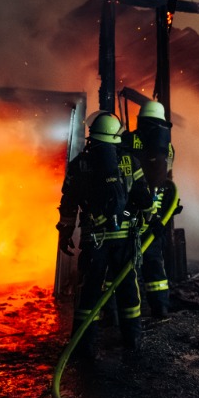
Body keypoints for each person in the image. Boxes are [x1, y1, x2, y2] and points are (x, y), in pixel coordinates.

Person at [56, 111, 154, 359]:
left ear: (93, 134)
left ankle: (84, 346)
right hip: (123, 240)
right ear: (114, 135)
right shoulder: (131, 162)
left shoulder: (79, 164)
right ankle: (132, 340)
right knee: (128, 289)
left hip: (94, 240)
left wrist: (65, 232)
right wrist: (150, 218)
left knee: (89, 291)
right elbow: (143, 197)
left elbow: (68, 203)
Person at [123, 100, 176, 319]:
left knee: (126, 258)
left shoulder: (126, 139)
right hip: (157, 206)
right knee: (154, 257)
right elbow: (167, 176)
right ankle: (160, 307)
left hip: (131, 206)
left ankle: (121, 310)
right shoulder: (168, 147)